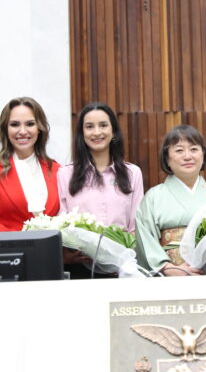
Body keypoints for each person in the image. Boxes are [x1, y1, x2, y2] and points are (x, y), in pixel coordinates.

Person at [57, 102, 144, 278]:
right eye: (89, 127)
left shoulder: (132, 173)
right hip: (80, 265)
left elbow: (136, 225)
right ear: (82, 134)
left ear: (113, 132)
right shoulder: (65, 174)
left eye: (103, 125)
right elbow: (61, 220)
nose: (97, 132)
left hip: (121, 267)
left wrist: (121, 255)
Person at [135, 125, 206, 276]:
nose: (187, 156)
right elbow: (145, 242)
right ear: (167, 158)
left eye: (194, 149)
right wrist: (168, 268)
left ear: (203, 154)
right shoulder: (153, 197)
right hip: (168, 278)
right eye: (179, 150)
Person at [0, 97, 60, 232]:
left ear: (40, 128)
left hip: (51, 251)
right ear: (5, 129)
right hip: (8, 251)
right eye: (15, 124)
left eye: (30, 124)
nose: (23, 131)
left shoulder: (56, 169)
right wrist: (23, 243)